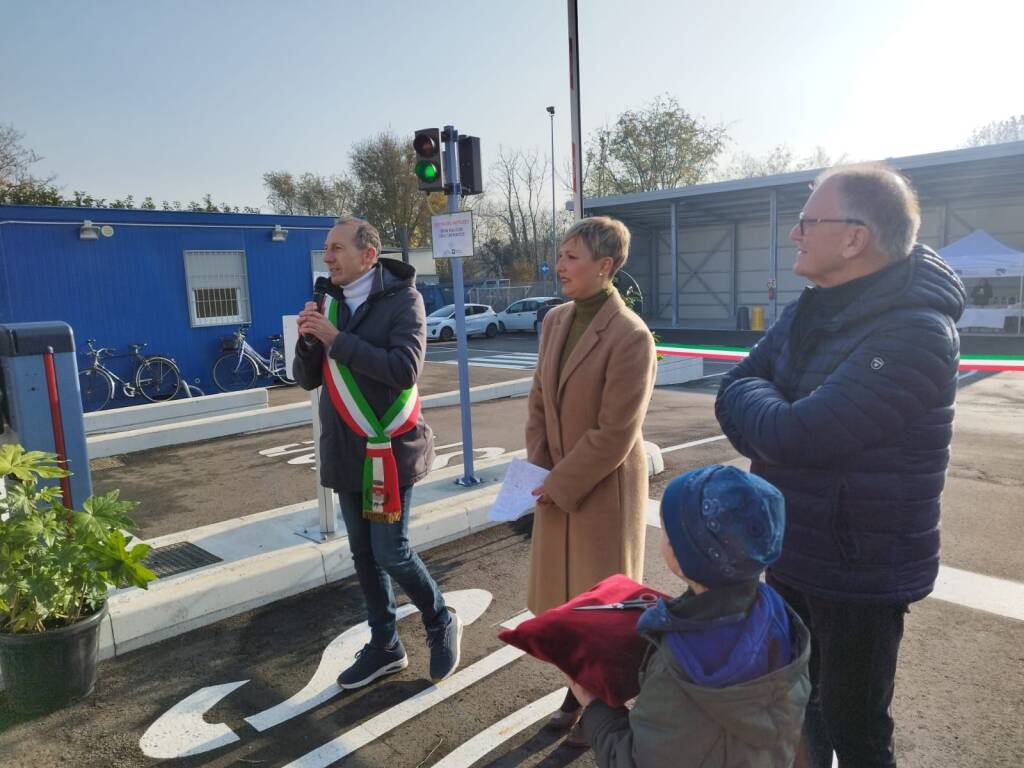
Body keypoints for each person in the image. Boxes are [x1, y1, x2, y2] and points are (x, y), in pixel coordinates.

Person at [715, 164, 965, 767]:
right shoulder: (813, 308)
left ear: (855, 239)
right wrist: (774, 407)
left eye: (807, 223)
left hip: (861, 569)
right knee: (797, 708)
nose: (795, 234)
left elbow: (799, 436)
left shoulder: (917, 332)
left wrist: (773, 409)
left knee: (856, 730)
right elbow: (732, 387)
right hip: (791, 548)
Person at [293, 215, 462, 689]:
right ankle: (385, 644)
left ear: (368, 255)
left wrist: (334, 339)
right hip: (345, 449)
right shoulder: (327, 301)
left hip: (388, 447)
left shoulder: (405, 300)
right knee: (363, 555)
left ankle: (439, 618)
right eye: (326, 249)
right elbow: (306, 378)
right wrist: (310, 341)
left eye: (337, 249)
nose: (328, 257)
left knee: (391, 550)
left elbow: (403, 369)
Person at [566, 465, 811, 767]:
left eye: (668, 530)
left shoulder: (679, 670)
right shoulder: (777, 613)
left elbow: (635, 761)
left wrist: (593, 706)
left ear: (685, 558)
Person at [525, 215, 657, 745]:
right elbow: (538, 398)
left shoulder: (631, 335)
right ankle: (573, 690)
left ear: (606, 267)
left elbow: (615, 431)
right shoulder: (556, 320)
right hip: (557, 478)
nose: (560, 265)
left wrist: (559, 481)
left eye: (573, 257)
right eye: (560, 254)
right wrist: (539, 465)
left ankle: (603, 704)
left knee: (599, 605)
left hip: (601, 488)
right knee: (563, 599)